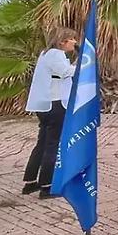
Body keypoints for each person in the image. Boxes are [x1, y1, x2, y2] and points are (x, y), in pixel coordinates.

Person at [23, 27, 78, 198]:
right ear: (63, 41)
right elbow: (66, 72)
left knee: (42, 143)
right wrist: (84, 62)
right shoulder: (55, 54)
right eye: (72, 39)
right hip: (56, 104)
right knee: (52, 145)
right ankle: (47, 186)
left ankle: (30, 182)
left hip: (45, 105)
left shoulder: (45, 54)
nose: (75, 42)